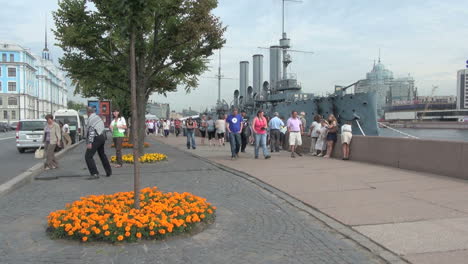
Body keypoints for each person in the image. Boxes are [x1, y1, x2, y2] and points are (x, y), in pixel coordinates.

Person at [84, 107, 112, 179]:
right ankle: (108, 171)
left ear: (88, 113)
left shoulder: (91, 119)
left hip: (95, 138)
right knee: (102, 154)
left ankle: (94, 173)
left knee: (88, 156)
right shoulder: (98, 118)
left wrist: (90, 142)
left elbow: (91, 131)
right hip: (101, 137)